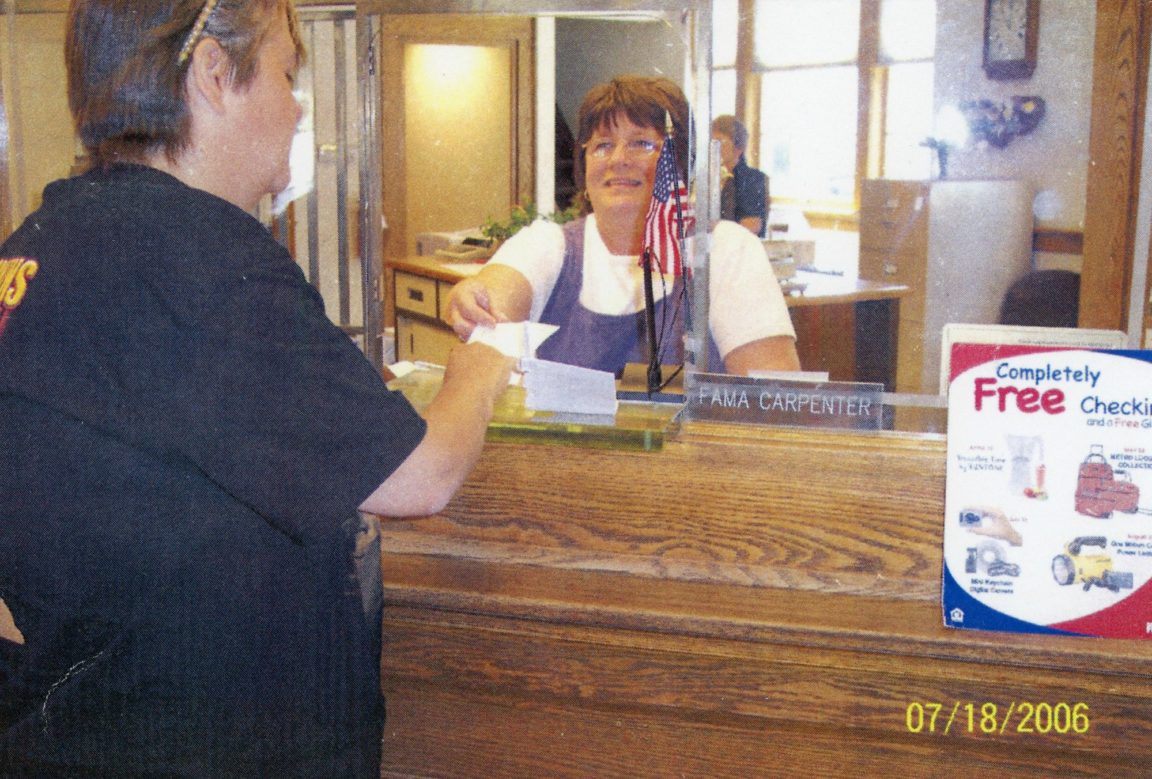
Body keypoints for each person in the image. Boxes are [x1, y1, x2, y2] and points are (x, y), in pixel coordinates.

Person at [0, 1, 512, 776]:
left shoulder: (37, 244)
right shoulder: (198, 253)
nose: (298, 104)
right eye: (285, 71)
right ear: (213, 72)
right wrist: (485, 354)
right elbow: (423, 474)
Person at [447, 76, 799, 378]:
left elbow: (771, 399)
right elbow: (496, 303)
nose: (618, 159)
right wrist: (478, 303)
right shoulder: (548, 243)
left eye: (642, 144)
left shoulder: (726, 249)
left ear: (679, 165)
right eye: (602, 145)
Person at [711, 114, 769, 238]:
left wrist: (713, 227)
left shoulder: (752, 179)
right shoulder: (709, 178)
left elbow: (752, 225)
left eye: (720, 142)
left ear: (739, 147)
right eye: (711, 142)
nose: (713, 148)